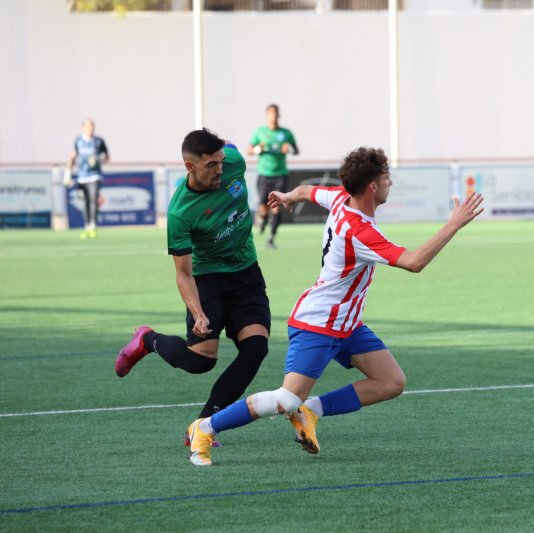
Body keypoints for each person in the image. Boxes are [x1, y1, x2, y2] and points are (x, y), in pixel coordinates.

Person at [183, 146, 484, 466]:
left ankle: (311, 411)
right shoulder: (361, 232)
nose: (390, 184)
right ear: (372, 186)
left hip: (346, 323)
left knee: (391, 382)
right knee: (286, 399)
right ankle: (205, 428)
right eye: (386, 178)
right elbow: (413, 262)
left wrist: (288, 196)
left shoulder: (340, 196)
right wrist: (454, 224)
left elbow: (305, 191)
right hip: (319, 322)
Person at [115, 128, 272, 447]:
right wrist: (198, 312)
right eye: (210, 166)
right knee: (202, 361)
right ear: (190, 167)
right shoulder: (180, 212)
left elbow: (227, 147)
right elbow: (183, 274)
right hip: (207, 280)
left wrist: (218, 147)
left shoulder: (233, 161)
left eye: (219, 162)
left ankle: (203, 425)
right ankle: (148, 339)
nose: (219, 170)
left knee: (255, 349)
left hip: (246, 274)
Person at [248, 104, 299, 248]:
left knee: (276, 206)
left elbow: (296, 150)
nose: (274, 116)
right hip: (264, 174)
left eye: (276, 113)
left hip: (280, 175)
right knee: (263, 207)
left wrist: (288, 148)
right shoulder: (260, 132)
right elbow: (250, 150)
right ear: (267, 115)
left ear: (279, 115)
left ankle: (271, 238)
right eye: (271, 113)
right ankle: (263, 219)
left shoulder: (286, 133)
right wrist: (259, 148)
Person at [64, 119, 109, 239]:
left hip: (95, 175)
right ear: (83, 128)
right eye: (88, 126)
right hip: (82, 176)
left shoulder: (99, 141)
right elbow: (72, 157)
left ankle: (93, 226)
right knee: (85, 201)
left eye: (92, 126)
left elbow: (107, 157)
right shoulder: (78, 141)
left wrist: (99, 160)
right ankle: (87, 226)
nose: (91, 128)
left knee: (93, 198)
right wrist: (68, 173)